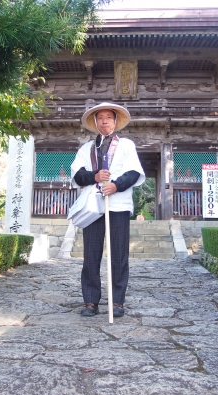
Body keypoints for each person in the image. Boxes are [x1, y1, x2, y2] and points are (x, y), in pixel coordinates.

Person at [71, 103, 145, 317]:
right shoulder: (86, 149)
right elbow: (77, 175)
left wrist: (116, 185)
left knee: (119, 254)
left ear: (115, 121)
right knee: (91, 255)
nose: (104, 121)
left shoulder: (126, 145)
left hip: (118, 205)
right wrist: (94, 176)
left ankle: (117, 302)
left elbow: (133, 172)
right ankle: (91, 301)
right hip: (93, 207)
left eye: (108, 117)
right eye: (100, 117)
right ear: (95, 122)